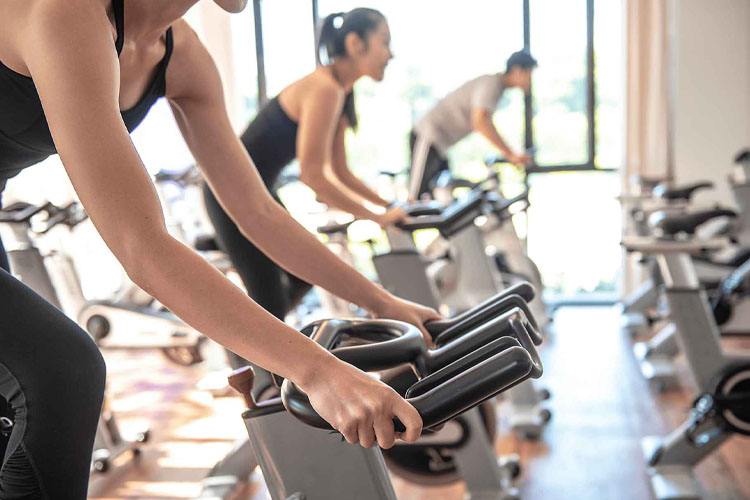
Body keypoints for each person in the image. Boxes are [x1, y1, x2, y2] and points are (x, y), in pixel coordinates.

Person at [0, 1, 438, 497]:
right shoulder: (69, 13)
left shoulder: (179, 52)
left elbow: (258, 213)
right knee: (61, 373)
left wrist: (382, 303)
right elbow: (140, 246)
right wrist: (319, 371)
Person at [203, 8, 408, 373]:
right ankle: (254, 384)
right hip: (228, 194)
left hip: (257, 190)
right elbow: (314, 177)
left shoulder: (339, 92)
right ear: (355, 43)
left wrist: (389, 206)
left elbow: (340, 172)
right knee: (270, 304)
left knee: (299, 276)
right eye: (385, 43)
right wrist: (377, 217)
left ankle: (254, 356)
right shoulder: (325, 88)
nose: (390, 54)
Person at [408, 50, 538, 200]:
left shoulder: (497, 89)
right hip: (427, 135)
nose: (530, 80)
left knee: (440, 200)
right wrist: (511, 154)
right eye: (529, 73)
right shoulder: (492, 84)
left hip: (441, 145)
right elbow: (480, 122)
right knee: (416, 198)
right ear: (516, 70)